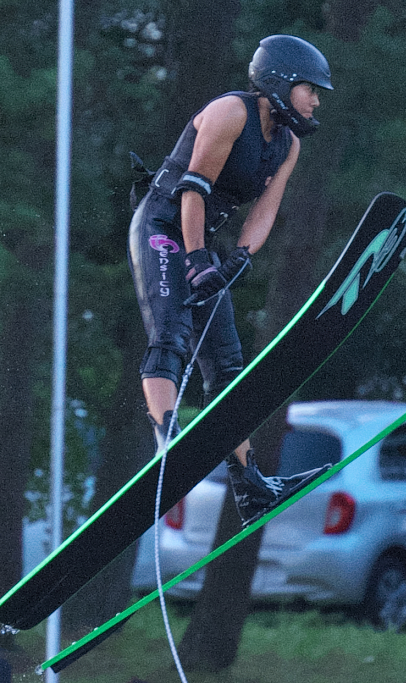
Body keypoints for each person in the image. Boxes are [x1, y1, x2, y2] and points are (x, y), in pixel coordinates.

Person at [129, 34, 334, 527]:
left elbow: (265, 211)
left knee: (228, 365)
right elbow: (193, 187)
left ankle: (250, 487)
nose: (317, 100)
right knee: (172, 334)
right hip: (164, 227)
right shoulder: (229, 113)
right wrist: (197, 258)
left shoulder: (288, 145)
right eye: (311, 88)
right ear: (281, 81)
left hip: (205, 241)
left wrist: (240, 257)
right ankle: (167, 440)